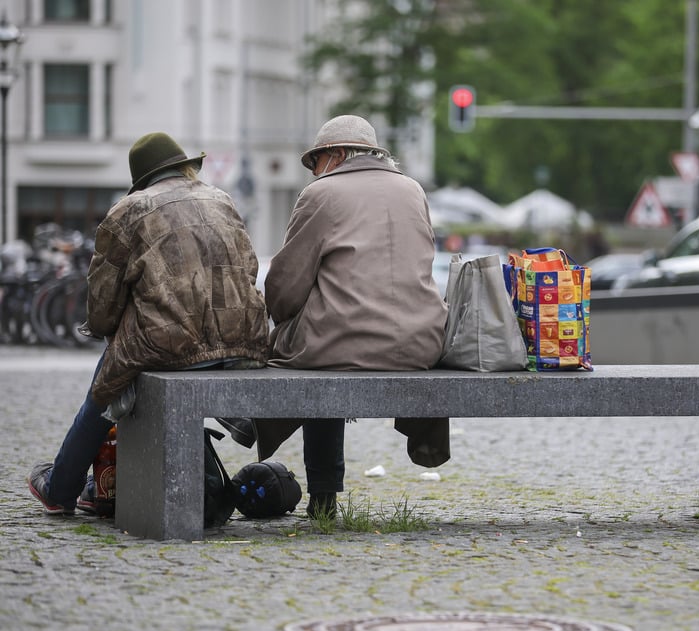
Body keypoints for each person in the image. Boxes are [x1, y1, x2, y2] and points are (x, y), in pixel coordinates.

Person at [27, 132, 270, 515]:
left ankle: (60, 489)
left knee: (106, 382)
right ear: (184, 167)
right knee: (128, 358)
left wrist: (114, 328)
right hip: (245, 339)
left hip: (171, 344)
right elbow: (248, 269)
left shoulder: (128, 210)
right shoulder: (221, 199)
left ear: (140, 179)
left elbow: (103, 303)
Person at [231, 114, 448, 519]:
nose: (314, 173)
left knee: (304, 349)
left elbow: (287, 282)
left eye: (315, 163)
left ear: (333, 155)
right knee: (323, 340)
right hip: (422, 342)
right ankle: (259, 434)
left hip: (345, 341)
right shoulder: (413, 189)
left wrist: (281, 317)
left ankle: (317, 490)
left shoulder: (322, 195)